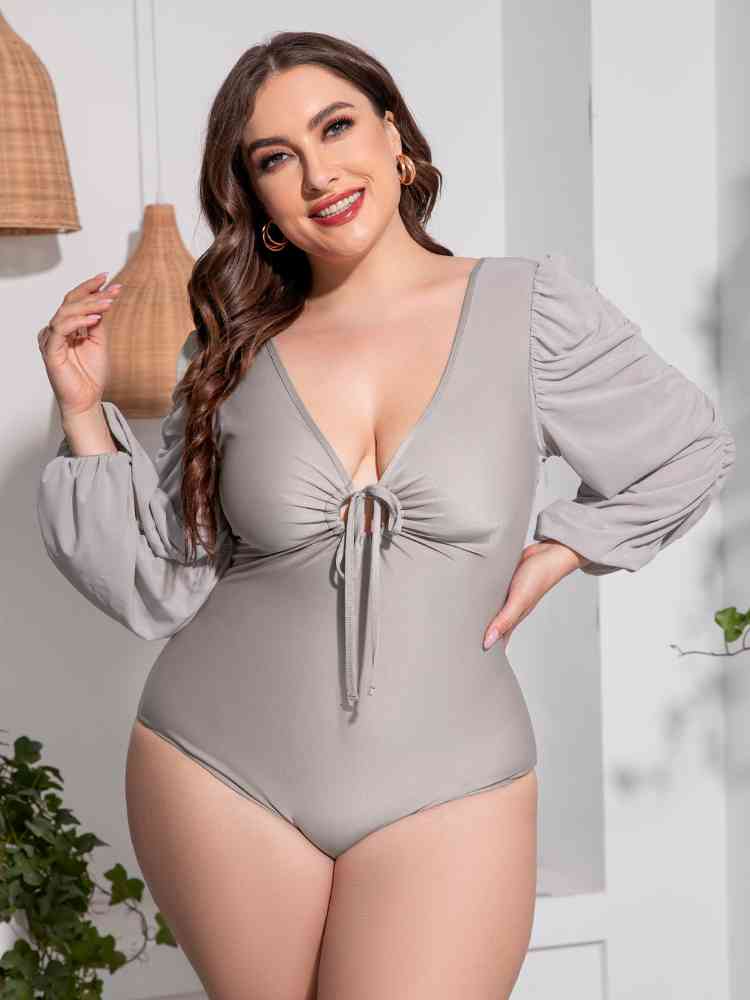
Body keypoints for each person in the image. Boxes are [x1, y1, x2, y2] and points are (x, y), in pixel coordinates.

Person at [35, 30, 736, 1000]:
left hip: (451, 781)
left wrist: (565, 547)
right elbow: (162, 581)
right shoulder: (231, 350)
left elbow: (688, 447)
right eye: (276, 158)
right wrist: (82, 411)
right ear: (257, 200)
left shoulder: (529, 307)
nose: (318, 173)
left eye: (336, 127)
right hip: (218, 769)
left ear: (394, 135)